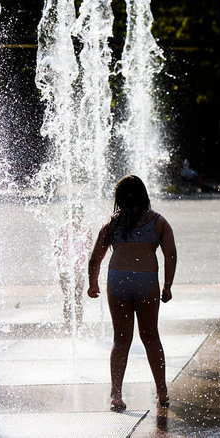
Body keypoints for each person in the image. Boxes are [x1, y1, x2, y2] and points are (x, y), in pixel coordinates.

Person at [87, 175, 177, 411]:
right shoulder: (158, 222)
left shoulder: (112, 223)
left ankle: (116, 395)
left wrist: (92, 283)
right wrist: (167, 285)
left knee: (120, 340)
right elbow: (170, 254)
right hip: (146, 281)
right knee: (151, 337)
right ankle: (162, 392)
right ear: (144, 196)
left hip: (118, 281)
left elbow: (96, 257)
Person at [55, 205, 91, 328]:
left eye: (78, 214)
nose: (75, 217)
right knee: (68, 297)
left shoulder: (86, 230)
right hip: (65, 269)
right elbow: (57, 250)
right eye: (72, 214)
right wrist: (59, 266)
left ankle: (78, 324)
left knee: (78, 297)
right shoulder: (62, 229)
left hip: (79, 269)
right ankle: (68, 324)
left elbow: (90, 250)